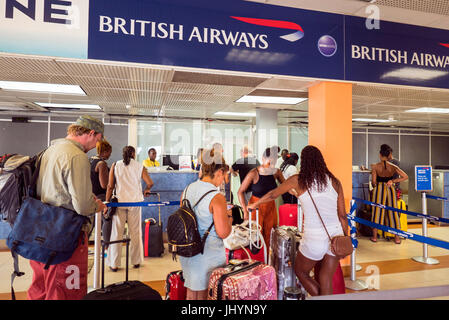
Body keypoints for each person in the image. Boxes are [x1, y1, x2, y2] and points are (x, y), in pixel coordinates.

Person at [248, 145, 349, 296]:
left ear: (304, 162)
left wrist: (255, 203)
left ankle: (319, 298)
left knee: (301, 271)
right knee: (325, 276)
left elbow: (273, 195)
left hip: (314, 238)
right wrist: (344, 237)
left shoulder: (298, 180)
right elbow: (342, 215)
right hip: (335, 234)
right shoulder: (335, 181)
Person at [27, 115, 107, 300]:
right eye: (97, 140)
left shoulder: (50, 150)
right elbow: (82, 206)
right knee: (66, 291)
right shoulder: (76, 156)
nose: (96, 145)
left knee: (40, 288)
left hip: (39, 230)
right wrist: (97, 205)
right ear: (91, 133)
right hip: (65, 235)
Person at [179, 149, 232, 300]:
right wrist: (229, 218)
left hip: (188, 252)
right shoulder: (216, 197)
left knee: (192, 292)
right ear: (220, 171)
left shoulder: (187, 190)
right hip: (207, 254)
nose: (223, 180)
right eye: (224, 175)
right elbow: (223, 232)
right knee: (205, 294)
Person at [106, 146, 154, 271]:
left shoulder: (115, 165)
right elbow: (150, 182)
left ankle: (114, 264)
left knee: (117, 232)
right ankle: (136, 261)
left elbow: (110, 185)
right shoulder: (139, 166)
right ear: (133, 153)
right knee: (135, 232)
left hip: (119, 203)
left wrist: (107, 202)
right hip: (135, 202)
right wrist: (147, 189)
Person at [238, 146, 285, 247]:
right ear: (263, 159)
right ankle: (257, 261)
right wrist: (245, 211)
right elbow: (240, 192)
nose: (271, 165)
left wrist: (296, 192)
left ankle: (267, 261)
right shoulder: (254, 173)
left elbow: (286, 186)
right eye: (269, 162)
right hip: (255, 207)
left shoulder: (276, 172)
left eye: (274, 162)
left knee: (270, 237)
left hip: (271, 207)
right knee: (256, 238)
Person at [370, 144, 408, 244]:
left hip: (379, 189)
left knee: (377, 211)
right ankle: (397, 238)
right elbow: (405, 176)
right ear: (388, 155)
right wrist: (393, 181)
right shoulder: (393, 166)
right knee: (393, 212)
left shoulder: (375, 166)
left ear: (380, 154)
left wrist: (376, 186)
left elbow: (373, 182)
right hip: (390, 188)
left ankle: (374, 237)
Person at [89, 140, 113, 245]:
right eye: (109, 152)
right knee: (107, 220)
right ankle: (107, 247)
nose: (110, 155)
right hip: (101, 196)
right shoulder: (101, 164)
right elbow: (104, 184)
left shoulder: (90, 160)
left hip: (91, 195)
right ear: (104, 151)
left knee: (91, 223)